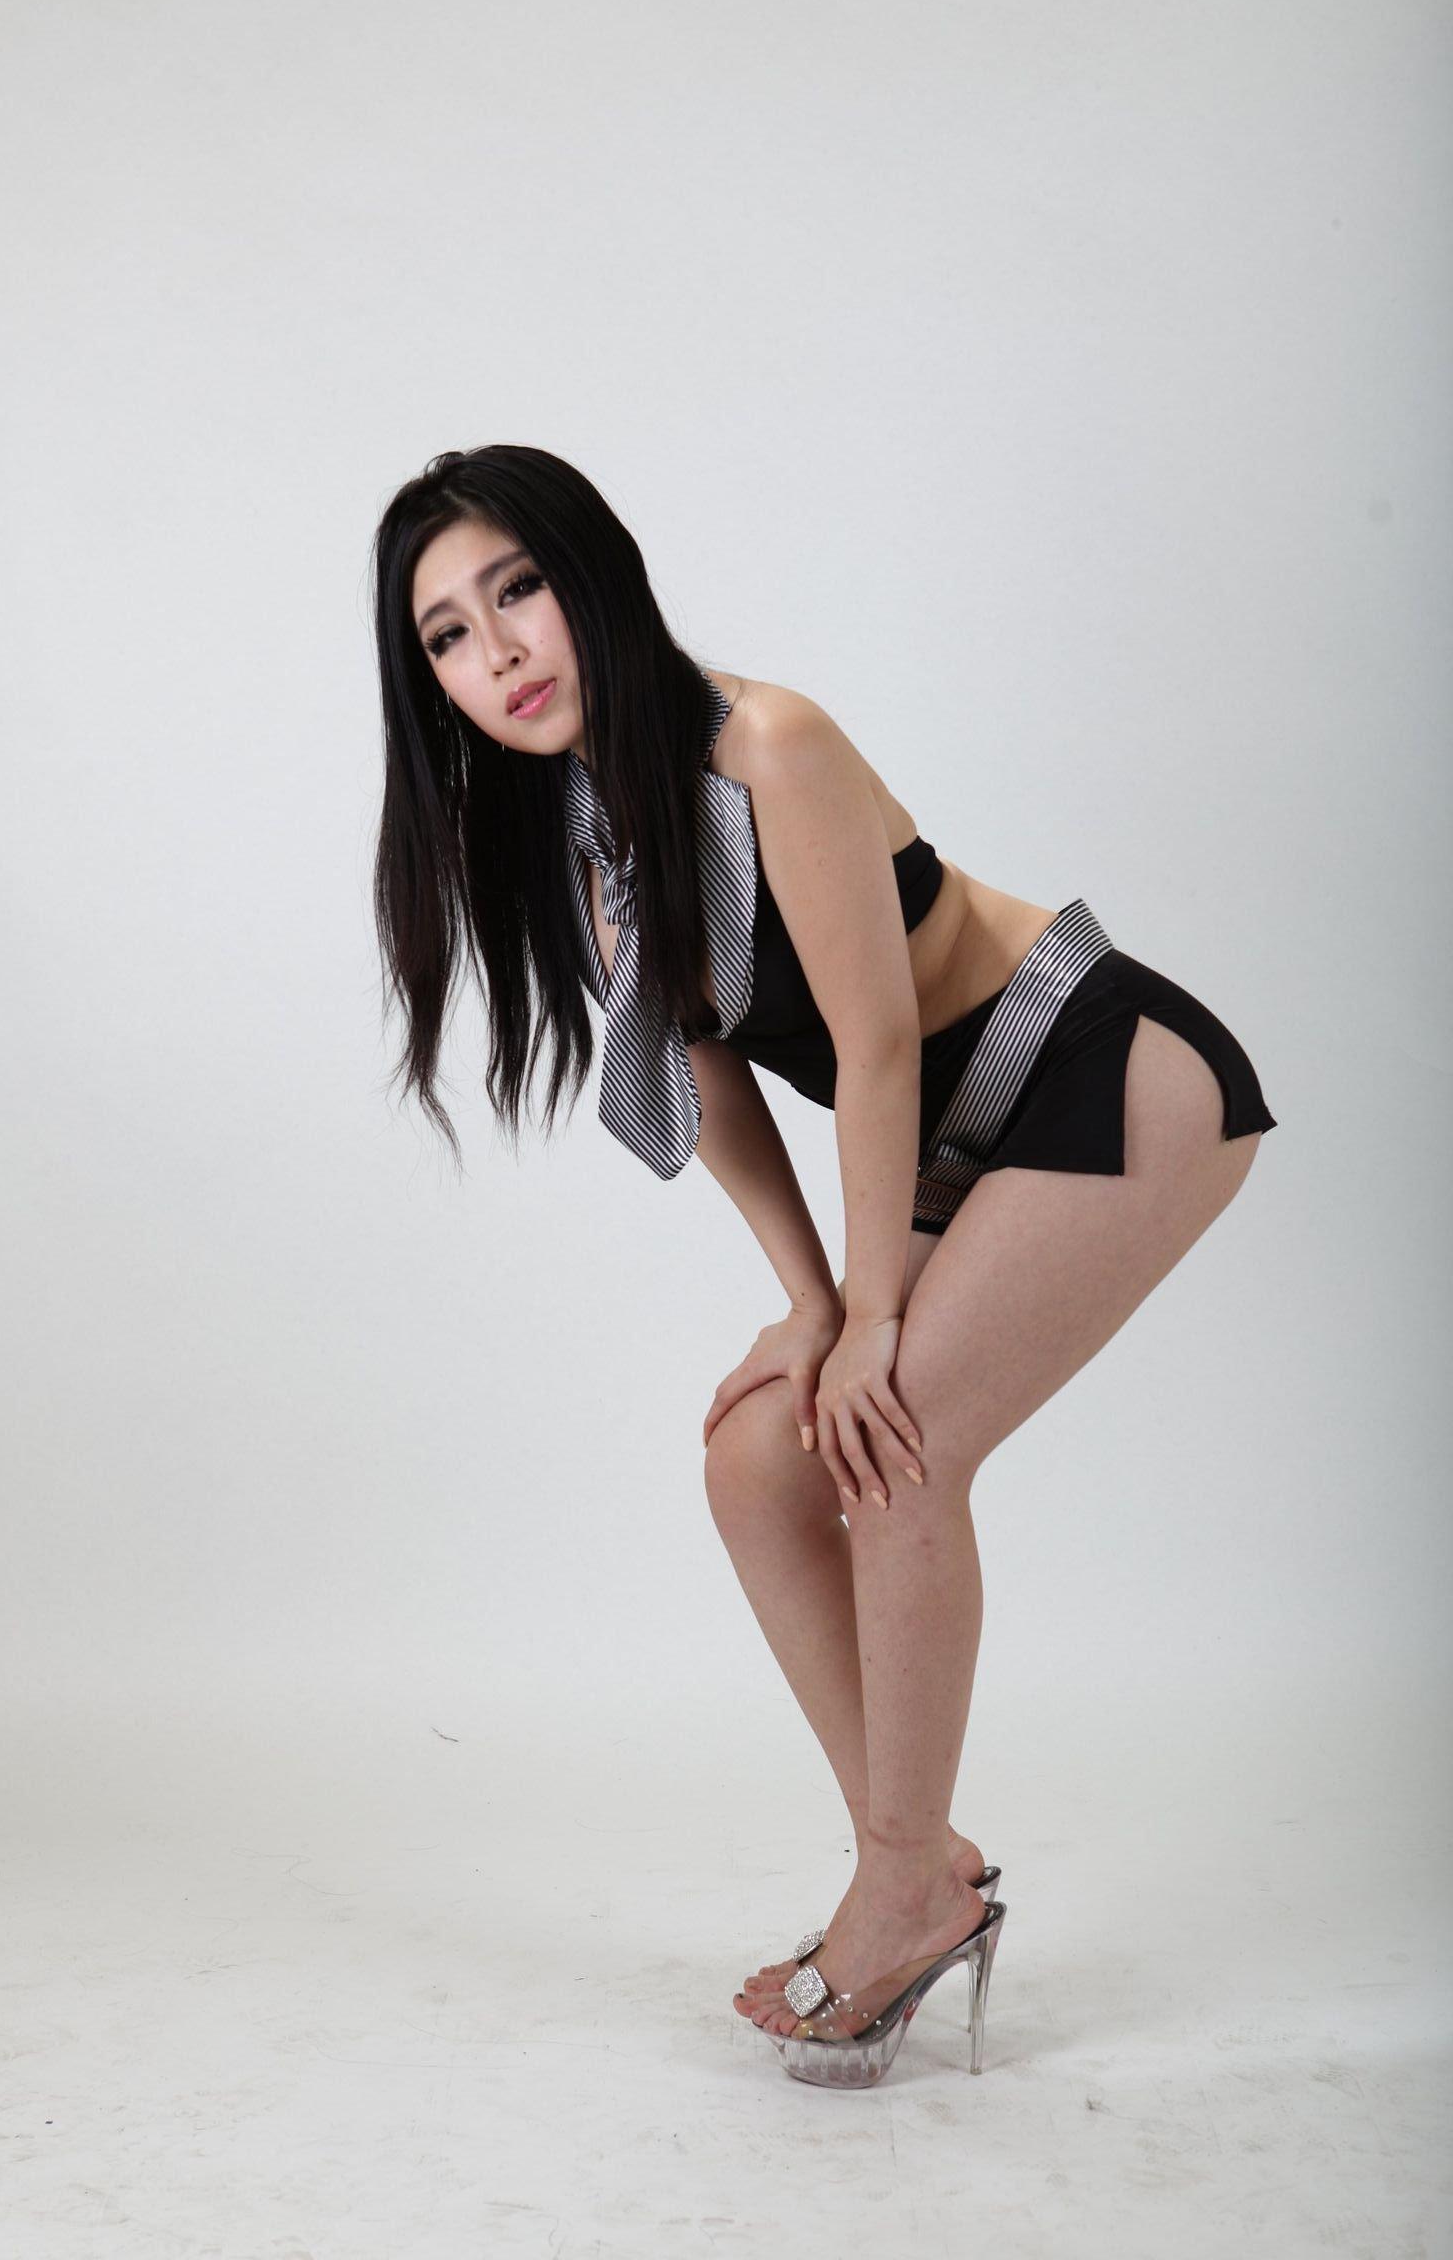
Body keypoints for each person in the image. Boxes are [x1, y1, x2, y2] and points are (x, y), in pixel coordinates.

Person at [369, 442, 1278, 2087]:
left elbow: (870, 1043)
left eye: (518, 589)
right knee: (754, 1459)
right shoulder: (584, 832)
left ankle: (899, 1888)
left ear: (594, 574)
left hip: (1102, 1066)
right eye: (446, 634)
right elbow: (707, 1072)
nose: (496, 651)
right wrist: (811, 1303)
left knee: (894, 1435)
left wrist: (872, 1320)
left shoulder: (766, 744)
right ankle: (920, 1862)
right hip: (948, 1137)